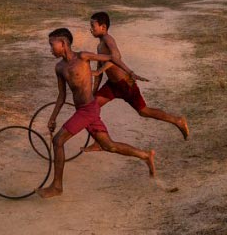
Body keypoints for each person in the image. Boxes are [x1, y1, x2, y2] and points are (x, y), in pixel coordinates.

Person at [38, 28, 155, 198]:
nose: (50, 49)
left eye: (51, 45)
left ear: (63, 43)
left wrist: (130, 72)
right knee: (109, 146)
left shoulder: (83, 57)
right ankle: (145, 155)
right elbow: (62, 96)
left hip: (88, 109)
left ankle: (57, 186)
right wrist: (52, 118)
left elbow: (112, 58)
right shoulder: (59, 68)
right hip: (84, 110)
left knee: (58, 141)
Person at [88, 12, 189, 142]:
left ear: (103, 27)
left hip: (125, 83)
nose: (90, 29)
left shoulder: (108, 39)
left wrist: (99, 70)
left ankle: (177, 120)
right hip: (112, 85)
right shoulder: (99, 45)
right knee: (91, 107)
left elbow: (116, 56)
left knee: (143, 111)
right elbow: (98, 73)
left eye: (93, 25)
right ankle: (101, 141)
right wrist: (93, 92)